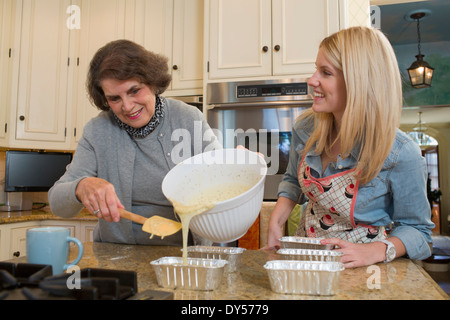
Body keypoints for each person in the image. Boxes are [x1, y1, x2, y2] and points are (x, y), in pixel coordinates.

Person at [266, 27, 434, 268]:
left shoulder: (400, 152)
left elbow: (419, 231)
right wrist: (275, 222)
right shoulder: (306, 128)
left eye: (326, 72)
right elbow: (293, 181)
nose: (312, 80)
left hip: (363, 270)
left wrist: (374, 251)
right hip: (305, 262)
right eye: (316, 69)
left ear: (359, 82)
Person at [49, 40, 221, 245]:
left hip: (183, 255)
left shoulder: (188, 118)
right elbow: (57, 203)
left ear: (152, 82)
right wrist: (81, 186)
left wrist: (239, 164)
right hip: (117, 257)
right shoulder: (98, 131)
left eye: (134, 91)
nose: (128, 106)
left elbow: (221, 177)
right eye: (114, 98)